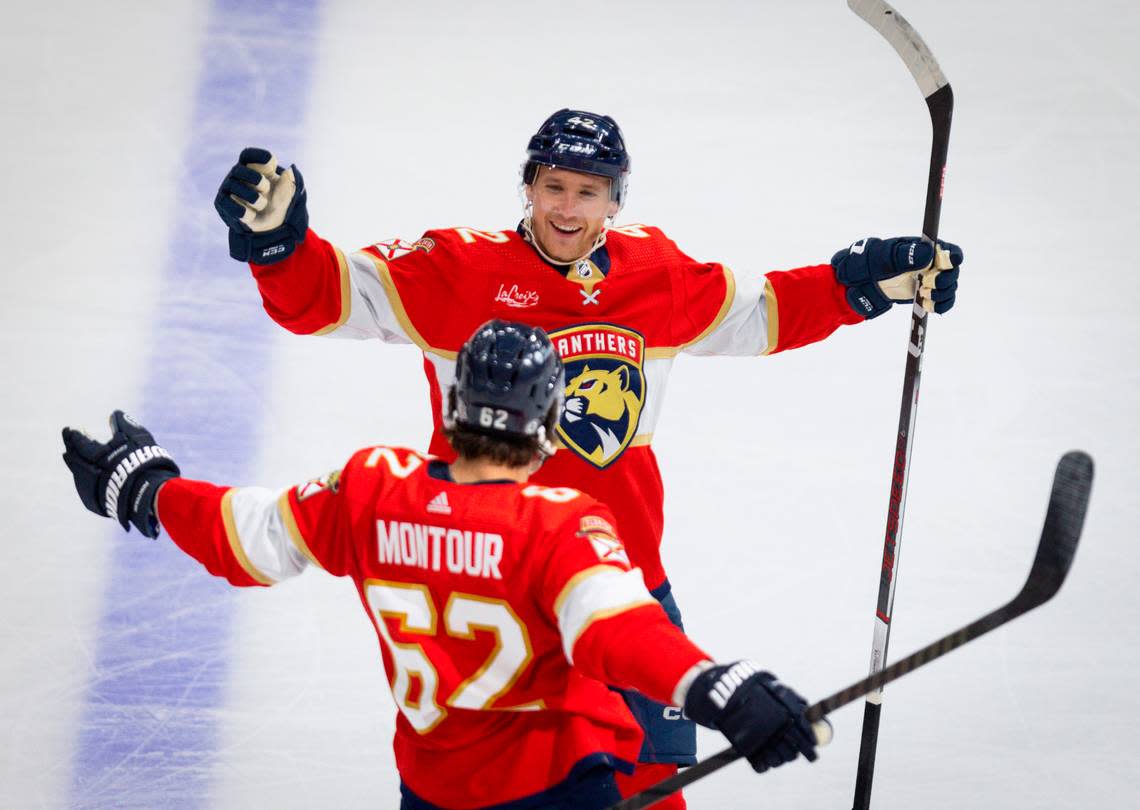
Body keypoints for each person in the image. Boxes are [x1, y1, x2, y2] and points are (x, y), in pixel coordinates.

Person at [213, 109, 962, 802]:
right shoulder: (455, 271)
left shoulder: (654, 274)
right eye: (554, 188)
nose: (566, 209)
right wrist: (282, 249)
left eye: (588, 192)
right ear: (529, 188)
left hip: (623, 585)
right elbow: (328, 296)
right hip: (499, 584)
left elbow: (762, 311)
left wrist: (859, 283)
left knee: (656, 794)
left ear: (616, 200)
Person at [61, 320, 825, 810]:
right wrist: (717, 688)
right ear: (549, 424)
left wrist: (149, 491)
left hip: (432, 796)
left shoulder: (370, 489)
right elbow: (615, 631)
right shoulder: (557, 524)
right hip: (561, 787)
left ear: (455, 408)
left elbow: (252, 537)